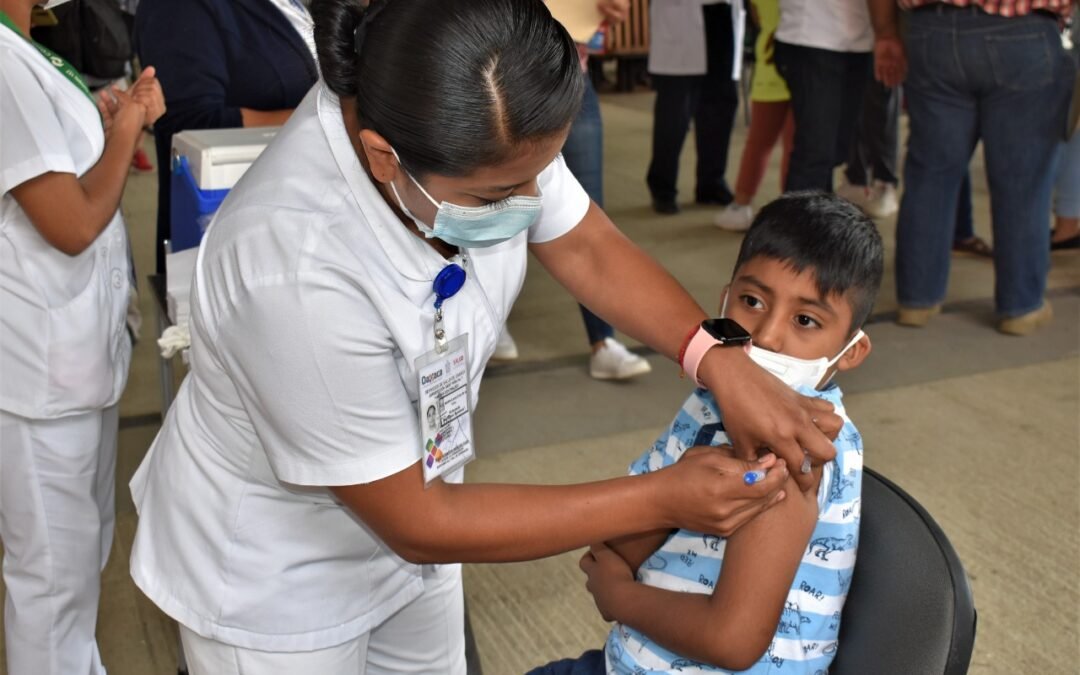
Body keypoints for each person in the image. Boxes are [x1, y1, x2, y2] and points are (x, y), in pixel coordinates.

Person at [128, 1, 845, 672]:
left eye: (536, 176)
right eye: (497, 197)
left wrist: (716, 357)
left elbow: (588, 245)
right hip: (277, 575)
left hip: (422, 528)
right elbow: (417, 518)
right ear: (383, 157)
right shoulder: (292, 266)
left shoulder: (485, 110)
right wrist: (664, 497)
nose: (530, 204)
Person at [530, 192, 883, 675]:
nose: (767, 335)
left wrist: (621, 596)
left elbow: (732, 641)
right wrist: (623, 553)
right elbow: (616, 544)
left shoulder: (797, 448)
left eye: (806, 320)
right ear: (724, 298)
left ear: (850, 352)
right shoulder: (711, 399)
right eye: (752, 301)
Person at [0, 0, 165, 672]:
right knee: (50, 581)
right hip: (40, 368)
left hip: (76, 355)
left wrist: (100, 121)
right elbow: (69, 224)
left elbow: (54, 170)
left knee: (80, 558)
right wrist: (127, 128)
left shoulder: (27, 45)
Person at [870, 0, 1076, 335]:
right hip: (1025, 32)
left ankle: (916, 301)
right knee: (1023, 179)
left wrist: (885, 34)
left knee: (930, 172)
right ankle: (1020, 307)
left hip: (931, 32)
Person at [497, 0, 652, 381]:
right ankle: (486, 317)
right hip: (494, 74)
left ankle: (603, 339)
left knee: (588, 207)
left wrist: (608, 12)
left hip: (571, 72)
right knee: (490, 200)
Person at [135, 0, 320, 273]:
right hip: (239, 238)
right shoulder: (178, 8)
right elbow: (192, 123)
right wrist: (329, 117)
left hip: (303, 217)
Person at [646, 0, 744, 214]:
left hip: (724, 16)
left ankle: (711, 183)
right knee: (674, 117)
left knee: (720, 109)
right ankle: (663, 187)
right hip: (681, 18)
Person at [773, 0, 873, 193]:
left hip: (860, 41)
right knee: (814, 153)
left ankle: (819, 219)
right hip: (811, 38)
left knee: (834, 151)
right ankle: (799, 222)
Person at [714, 0, 794, 232]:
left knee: (760, 142)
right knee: (792, 146)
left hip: (769, 66)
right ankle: (789, 213)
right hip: (797, 64)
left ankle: (741, 204)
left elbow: (757, 16)